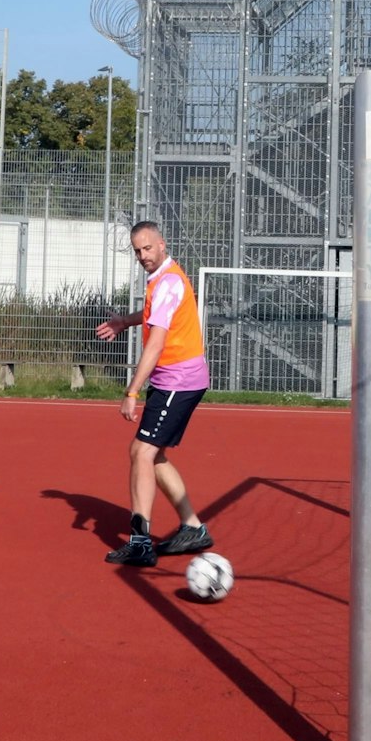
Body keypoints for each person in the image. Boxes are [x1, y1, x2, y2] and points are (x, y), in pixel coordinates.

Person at [93, 221, 212, 567]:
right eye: (137, 251)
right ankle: (193, 527)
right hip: (173, 379)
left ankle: (141, 541)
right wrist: (123, 322)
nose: (142, 255)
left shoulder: (169, 282)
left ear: (162, 244)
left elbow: (157, 342)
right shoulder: (161, 279)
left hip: (179, 380)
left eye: (147, 248)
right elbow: (151, 319)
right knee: (151, 453)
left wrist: (132, 391)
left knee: (142, 452)